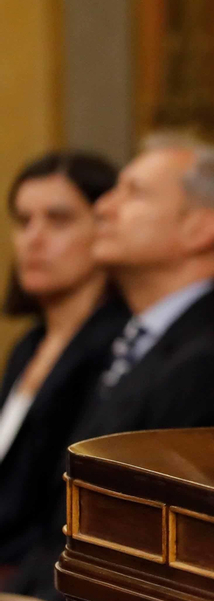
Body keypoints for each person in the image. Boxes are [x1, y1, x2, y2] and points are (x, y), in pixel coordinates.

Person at [6, 133, 214, 601]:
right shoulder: (133, 340)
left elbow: (138, 542)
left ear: (200, 229)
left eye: (134, 193)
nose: (105, 208)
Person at [0, 152, 127, 569]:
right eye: (24, 221)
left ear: (105, 227)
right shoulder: (31, 342)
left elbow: (51, 510)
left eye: (58, 220)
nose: (33, 239)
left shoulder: (116, 346)